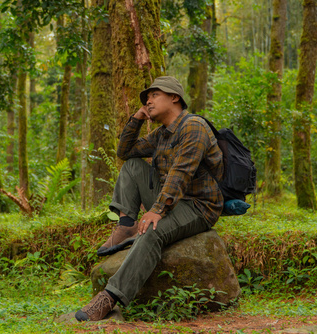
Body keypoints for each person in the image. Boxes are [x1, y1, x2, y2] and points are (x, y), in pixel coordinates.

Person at [75, 76, 224, 322]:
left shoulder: (193, 127)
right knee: (133, 166)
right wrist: (136, 119)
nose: (148, 101)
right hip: (172, 198)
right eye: (147, 98)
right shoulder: (161, 134)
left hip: (198, 205)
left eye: (154, 95)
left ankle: (109, 297)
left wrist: (157, 211)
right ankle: (126, 225)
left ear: (174, 97)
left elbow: (181, 174)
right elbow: (125, 153)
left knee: (152, 230)